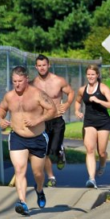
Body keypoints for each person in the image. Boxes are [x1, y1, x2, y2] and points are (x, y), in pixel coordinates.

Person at [0, 66, 58, 216]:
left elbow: (52, 110)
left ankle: (39, 189)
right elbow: (2, 109)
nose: (17, 84)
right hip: (18, 137)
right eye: (14, 81)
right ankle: (22, 202)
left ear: (26, 80)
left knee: (38, 173)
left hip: (37, 138)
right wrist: (0, 119)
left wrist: (39, 119)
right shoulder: (9, 96)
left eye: (19, 81)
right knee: (19, 169)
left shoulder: (37, 94)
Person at [32, 54, 75, 187]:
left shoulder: (58, 81)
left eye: (44, 65)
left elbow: (71, 93)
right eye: (39, 66)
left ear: (49, 65)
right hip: (42, 121)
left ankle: (60, 151)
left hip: (56, 120)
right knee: (44, 151)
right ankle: (51, 177)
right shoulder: (34, 84)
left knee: (53, 150)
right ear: (36, 67)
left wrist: (67, 105)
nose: (42, 68)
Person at [75, 64, 110, 188]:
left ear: (97, 75)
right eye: (88, 74)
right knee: (89, 149)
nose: (90, 77)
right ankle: (91, 179)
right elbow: (77, 101)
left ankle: (103, 163)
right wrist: (77, 111)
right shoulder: (83, 89)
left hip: (103, 122)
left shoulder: (103, 88)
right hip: (89, 122)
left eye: (93, 74)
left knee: (102, 152)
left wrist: (99, 101)